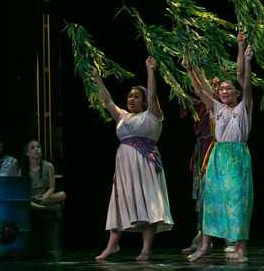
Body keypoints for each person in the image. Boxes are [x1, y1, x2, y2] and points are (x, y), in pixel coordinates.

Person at [93, 56, 173, 261]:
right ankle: (112, 246)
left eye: (136, 96)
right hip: (124, 168)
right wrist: (96, 78)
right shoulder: (122, 116)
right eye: (129, 96)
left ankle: (146, 249)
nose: (131, 99)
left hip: (144, 165)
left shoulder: (152, 115)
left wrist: (150, 70)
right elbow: (107, 100)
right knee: (120, 203)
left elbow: (153, 93)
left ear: (145, 101)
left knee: (147, 203)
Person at [183, 36, 254, 263]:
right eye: (221, 89)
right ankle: (204, 245)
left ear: (236, 92)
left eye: (228, 89)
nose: (224, 92)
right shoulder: (217, 108)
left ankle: (240, 249)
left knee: (238, 202)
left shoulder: (244, 107)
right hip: (217, 156)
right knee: (211, 202)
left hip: (237, 157)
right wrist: (189, 68)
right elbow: (200, 89)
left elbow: (246, 81)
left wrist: (245, 55)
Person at [19, 139, 66, 211]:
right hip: (31, 198)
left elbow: (52, 188)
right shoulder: (22, 170)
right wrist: (32, 197)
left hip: (45, 197)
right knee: (21, 200)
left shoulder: (49, 166)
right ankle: (43, 208)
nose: (36, 149)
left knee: (62, 195)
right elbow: (21, 190)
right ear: (27, 153)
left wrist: (43, 198)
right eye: (33, 147)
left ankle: (37, 206)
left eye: (38, 147)